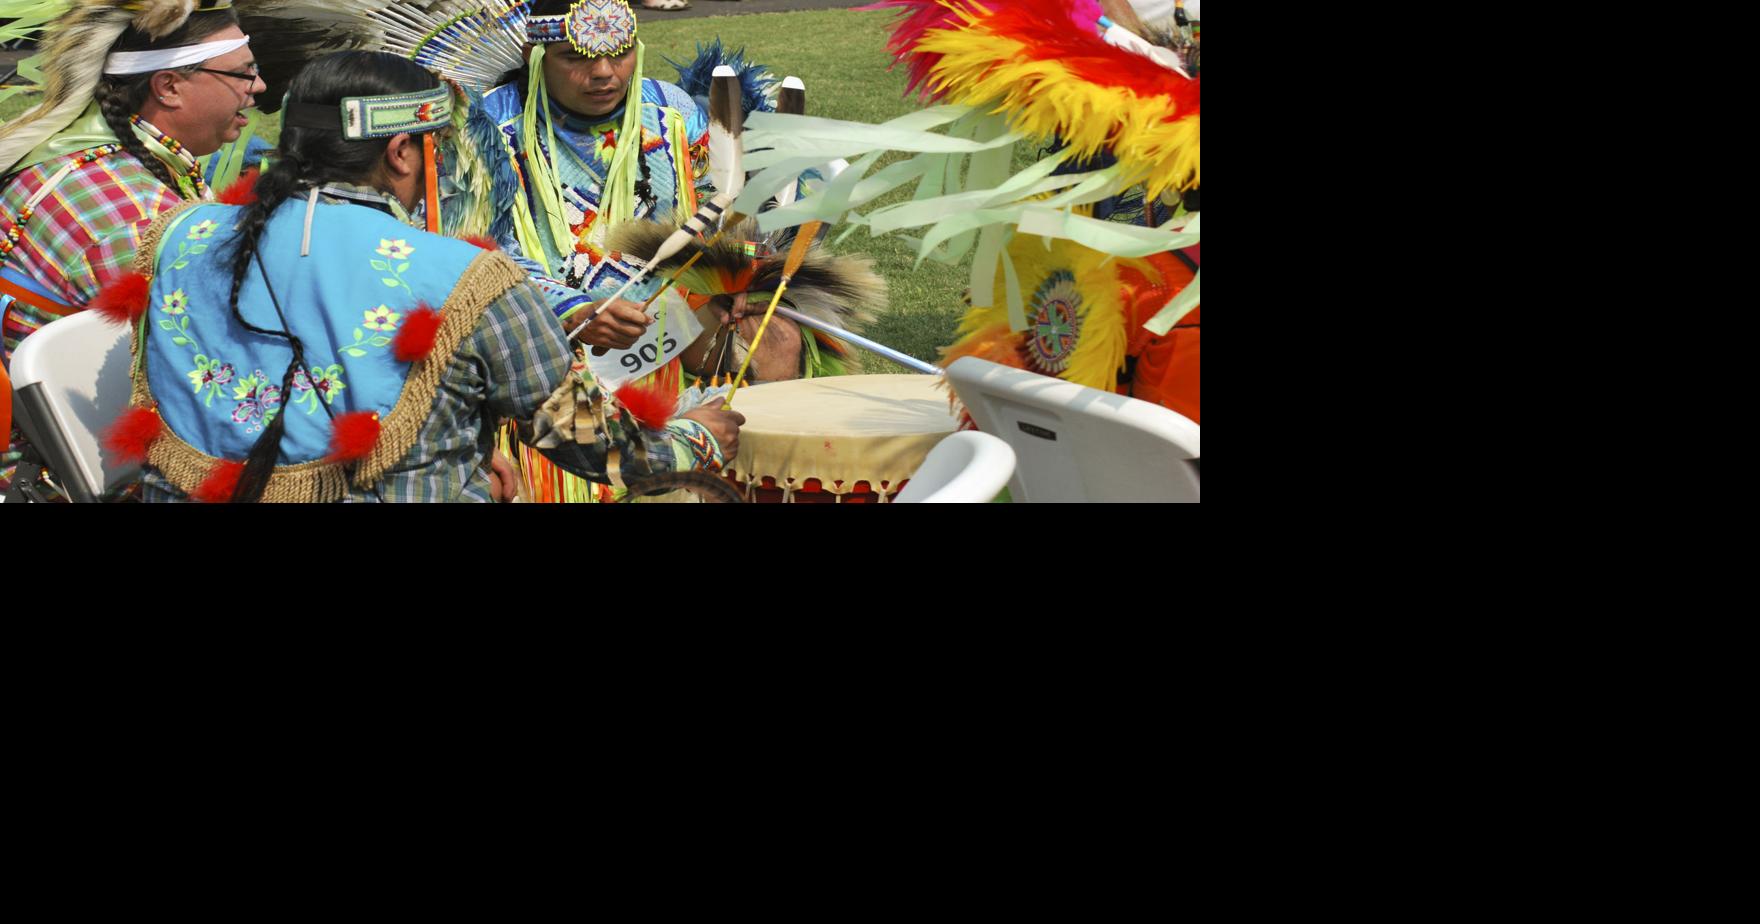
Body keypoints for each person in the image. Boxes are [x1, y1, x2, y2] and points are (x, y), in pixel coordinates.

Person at [111, 50, 742, 502]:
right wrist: (695, 440)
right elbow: (588, 442)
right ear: (401, 151)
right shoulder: (465, 277)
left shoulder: (174, 236)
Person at [0, 0, 265, 496]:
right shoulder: (137, 219)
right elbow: (211, 371)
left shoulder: (80, 153)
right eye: (243, 73)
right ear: (168, 87)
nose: (259, 88)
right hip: (49, 473)